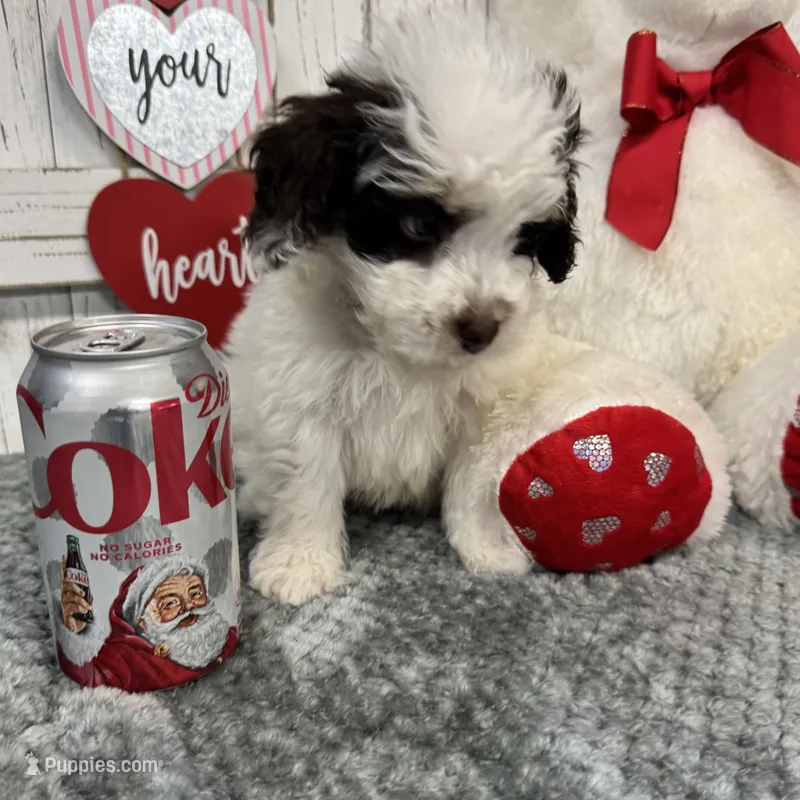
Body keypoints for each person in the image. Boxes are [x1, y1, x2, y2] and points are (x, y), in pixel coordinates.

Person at [55, 555, 237, 691]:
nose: (188, 606)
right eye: (170, 603)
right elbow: (91, 674)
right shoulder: (125, 657)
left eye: (196, 593)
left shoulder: (224, 635)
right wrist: (75, 633)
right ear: (142, 621)